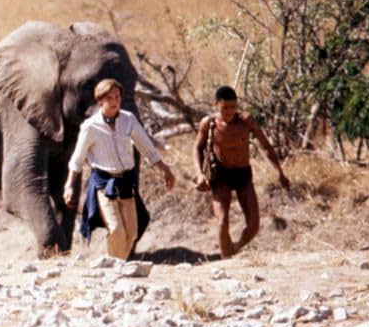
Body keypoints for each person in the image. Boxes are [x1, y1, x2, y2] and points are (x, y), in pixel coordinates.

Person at [63, 78, 175, 260]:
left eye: (117, 97)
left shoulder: (128, 120)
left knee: (131, 233)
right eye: (109, 98)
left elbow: (147, 148)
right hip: (104, 184)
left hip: (126, 183)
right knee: (115, 229)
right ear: (100, 101)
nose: (115, 101)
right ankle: (112, 269)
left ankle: (116, 264)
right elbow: (77, 160)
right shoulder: (90, 127)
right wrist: (69, 186)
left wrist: (165, 169)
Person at [194, 85, 289, 259]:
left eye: (233, 107)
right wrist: (200, 174)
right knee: (222, 221)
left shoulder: (247, 121)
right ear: (216, 105)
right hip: (221, 175)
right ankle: (226, 261)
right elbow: (197, 148)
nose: (230, 112)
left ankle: (235, 248)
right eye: (225, 108)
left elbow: (265, 146)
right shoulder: (209, 123)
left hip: (243, 174)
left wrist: (279, 171)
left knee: (253, 225)